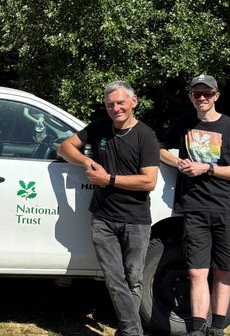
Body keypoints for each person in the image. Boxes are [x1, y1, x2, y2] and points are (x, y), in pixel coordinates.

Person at [57, 81, 159, 336]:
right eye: (110, 104)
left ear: (133, 102)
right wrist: (87, 162)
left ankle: (127, 331)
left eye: (120, 102)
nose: (115, 108)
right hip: (103, 218)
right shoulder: (99, 128)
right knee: (115, 281)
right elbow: (64, 147)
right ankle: (133, 332)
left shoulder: (145, 135)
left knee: (134, 280)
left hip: (136, 220)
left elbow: (149, 181)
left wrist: (109, 180)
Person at [159, 74, 230, 336]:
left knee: (222, 272)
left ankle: (217, 329)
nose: (201, 98)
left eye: (206, 93)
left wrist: (207, 168)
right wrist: (178, 163)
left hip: (225, 209)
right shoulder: (184, 123)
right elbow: (160, 147)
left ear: (216, 96)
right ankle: (197, 329)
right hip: (193, 208)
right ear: (190, 96)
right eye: (196, 93)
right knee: (197, 272)